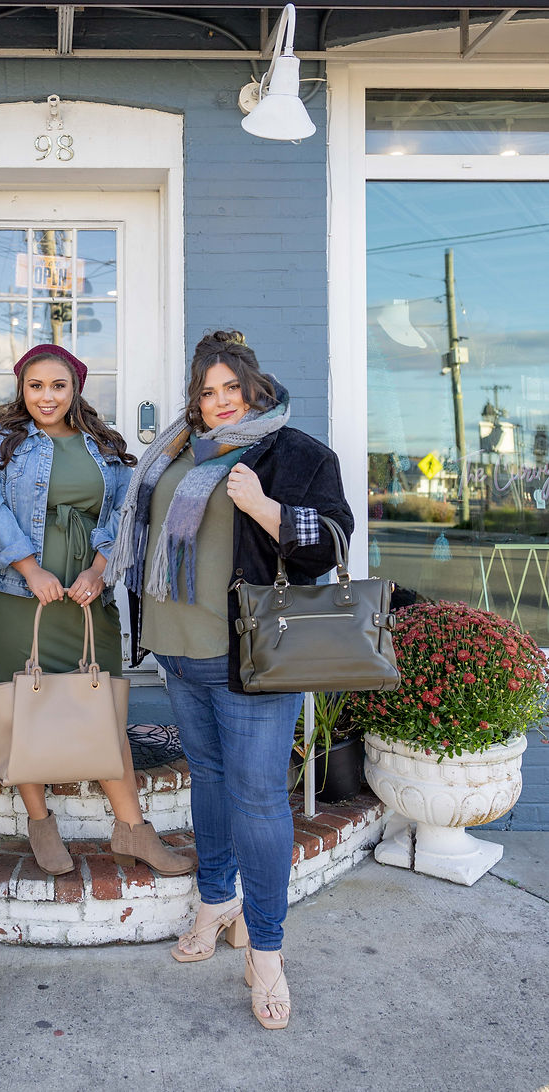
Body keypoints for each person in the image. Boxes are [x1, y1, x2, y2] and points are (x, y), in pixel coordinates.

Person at [104, 330, 353, 1031]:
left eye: (230, 390)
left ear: (255, 388)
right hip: (177, 652)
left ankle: (266, 950)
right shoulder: (175, 449)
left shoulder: (293, 452)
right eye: (206, 391)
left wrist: (266, 509)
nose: (218, 402)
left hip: (251, 659)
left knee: (260, 801)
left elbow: (332, 540)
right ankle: (217, 900)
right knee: (208, 781)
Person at [0, 343, 194, 879]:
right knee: (22, 704)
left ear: (76, 390)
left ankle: (132, 829)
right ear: (21, 389)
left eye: (58, 386)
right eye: (35, 385)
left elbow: (123, 509)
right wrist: (30, 569)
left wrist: (98, 570)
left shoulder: (103, 444)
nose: (46, 396)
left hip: (87, 596)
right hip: (11, 595)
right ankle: (41, 822)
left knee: (105, 707)